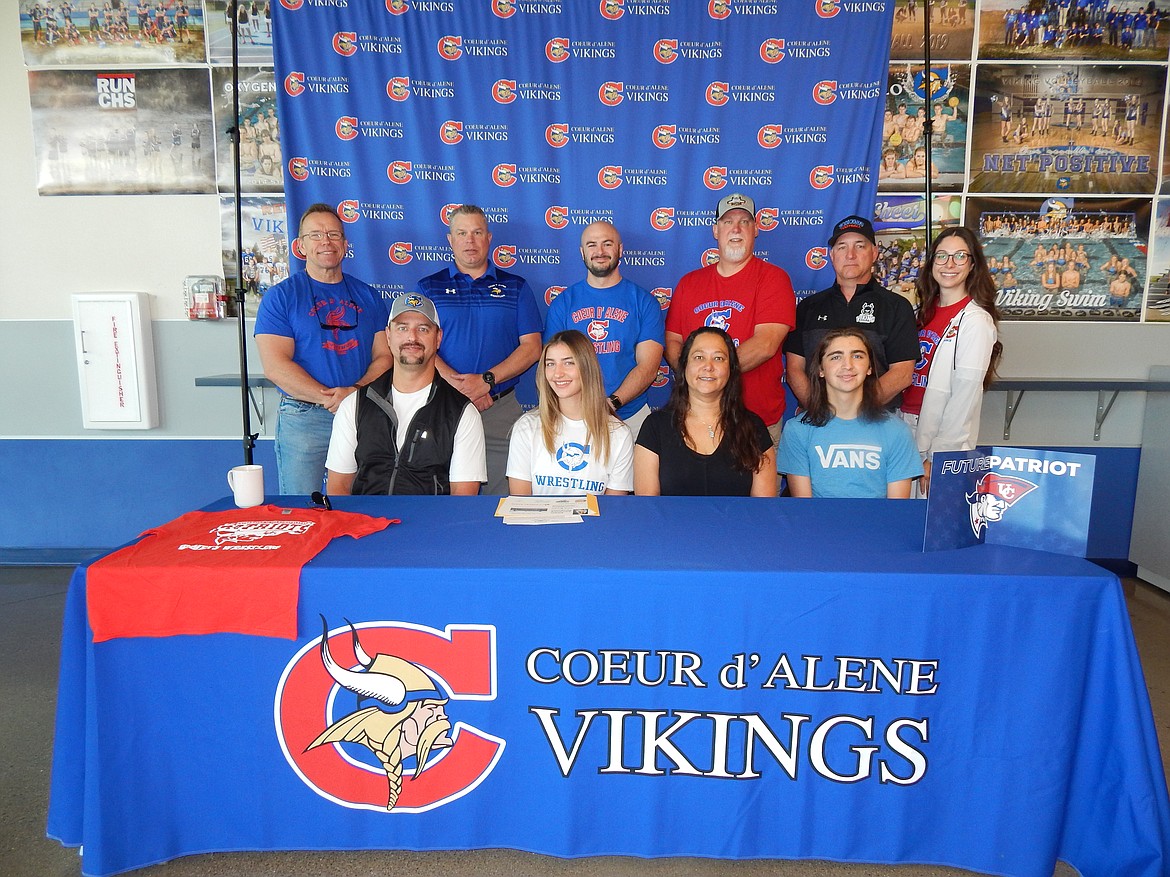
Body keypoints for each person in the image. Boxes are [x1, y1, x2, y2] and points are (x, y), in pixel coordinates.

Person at [255, 203, 392, 494]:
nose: (326, 241)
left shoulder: (368, 296)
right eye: (315, 235)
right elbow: (276, 366)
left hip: (361, 413)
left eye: (333, 234)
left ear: (345, 244)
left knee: (363, 507)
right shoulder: (281, 298)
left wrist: (353, 393)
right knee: (302, 507)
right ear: (300, 245)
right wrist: (330, 398)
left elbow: (385, 356)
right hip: (304, 418)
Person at [415, 204, 542, 495]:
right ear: (450, 239)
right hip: (441, 404)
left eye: (477, 232)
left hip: (498, 407)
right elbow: (417, 344)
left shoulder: (515, 287)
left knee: (501, 495)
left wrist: (485, 382)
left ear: (489, 237)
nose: (470, 241)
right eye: (462, 233)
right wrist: (458, 386)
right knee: (441, 494)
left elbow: (532, 347)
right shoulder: (428, 288)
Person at [665, 193, 795, 445]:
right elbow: (673, 341)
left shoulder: (773, 278)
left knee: (760, 486)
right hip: (697, 418)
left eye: (744, 221)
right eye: (727, 222)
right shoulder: (689, 283)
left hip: (756, 418)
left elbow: (766, 344)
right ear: (716, 230)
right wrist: (697, 380)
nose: (736, 228)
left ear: (756, 229)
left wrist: (710, 376)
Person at [325, 293, 485, 496]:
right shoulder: (355, 405)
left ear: (438, 338)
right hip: (367, 525)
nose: (412, 337)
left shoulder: (462, 412)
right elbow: (338, 489)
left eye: (423, 329)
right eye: (402, 328)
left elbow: (463, 500)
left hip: (432, 526)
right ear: (388, 336)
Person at [900, 228, 1002, 497]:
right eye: (942, 256)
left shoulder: (975, 321)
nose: (949, 264)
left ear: (972, 265)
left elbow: (964, 399)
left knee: (927, 521)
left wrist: (939, 457)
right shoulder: (922, 313)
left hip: (938, 437)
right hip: (905, 427)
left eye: (959, 256)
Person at [543, 221, 664, 437]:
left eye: (607, 244)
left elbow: (648, 367)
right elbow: (553, 366)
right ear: (582, 252)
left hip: (630, 417)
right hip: (574, 418)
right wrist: (581, 410)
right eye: (592, 245)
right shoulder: (563, 303)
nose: (599, 252)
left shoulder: (644, 302)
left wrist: (611, 404)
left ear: (620, 249)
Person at [785, 215, 919, 411]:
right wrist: (818, 410)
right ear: (831, 255)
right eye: (842, 247)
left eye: (859, 246)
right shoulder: (808, 308)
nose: (850, 255)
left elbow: (902, 373)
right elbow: (794, 370)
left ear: (874, 253)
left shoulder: (897, 307)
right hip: (816, 419)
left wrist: (853, 413)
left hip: (876, 420)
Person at [779, 328, 921, 498]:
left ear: (869, 368)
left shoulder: (897, 432)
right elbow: (805, 509)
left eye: (857, 356)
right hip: (818, 524)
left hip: (876, 524)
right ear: (820, 370)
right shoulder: (797, 430)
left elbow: (896, 511)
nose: (848, 365)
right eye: (836, 357)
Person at [635, 327, 776, 497]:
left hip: (738, 524)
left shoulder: (754, 427)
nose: (708, 366)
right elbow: (649, 508)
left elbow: (763, 510)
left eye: (718, 358)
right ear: (684, 365)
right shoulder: (655, 427)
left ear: (731, 369)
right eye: (699, 357)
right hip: (673, 524)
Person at [507, 331, 634, 496]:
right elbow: (520, 504)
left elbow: (612, 510)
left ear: (587, 368)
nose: (558, 373)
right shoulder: (526, 427)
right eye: (550, 364)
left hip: (595, 523)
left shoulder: (618, 434)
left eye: (568, 363)